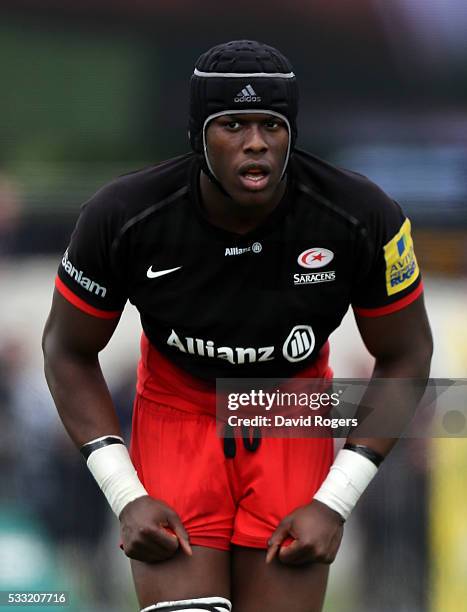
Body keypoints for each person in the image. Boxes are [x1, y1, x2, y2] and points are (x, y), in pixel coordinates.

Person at [42, 40, 433, 612]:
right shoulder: (122, 215)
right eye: (232, 124)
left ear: (291, 133)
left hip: (288, 411)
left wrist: (336, 499)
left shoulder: (363, 216)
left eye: (271, 125)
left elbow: (408, 354)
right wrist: (125, 493)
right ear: (199, 134)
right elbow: (65, 349)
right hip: (178, 409)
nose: (255, 142)